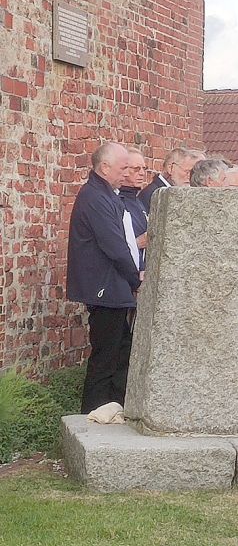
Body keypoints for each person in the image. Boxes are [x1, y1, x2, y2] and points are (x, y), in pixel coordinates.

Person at [67, 142, 142, 413]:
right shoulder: (95, 197)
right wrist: (136, 279)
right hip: (105, 287)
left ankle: (113, 405)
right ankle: (94, 410)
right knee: (106, 355)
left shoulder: (107, 194)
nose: (126, 173)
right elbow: (114, 244)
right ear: (105, 167)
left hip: (113, 287)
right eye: (123, 167)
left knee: (120, 351)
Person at [138, 147, 203, 211]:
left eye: (192, 173)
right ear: (170, 168)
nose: (190, 177)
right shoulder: (152, 194)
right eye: (187, 172)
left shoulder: (172, 191)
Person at [119, 147, 149, 273]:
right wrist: (136, 243)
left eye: (144, 168)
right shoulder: (118, 201)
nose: (142, 173)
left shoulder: (137, 200)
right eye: (136, 169)